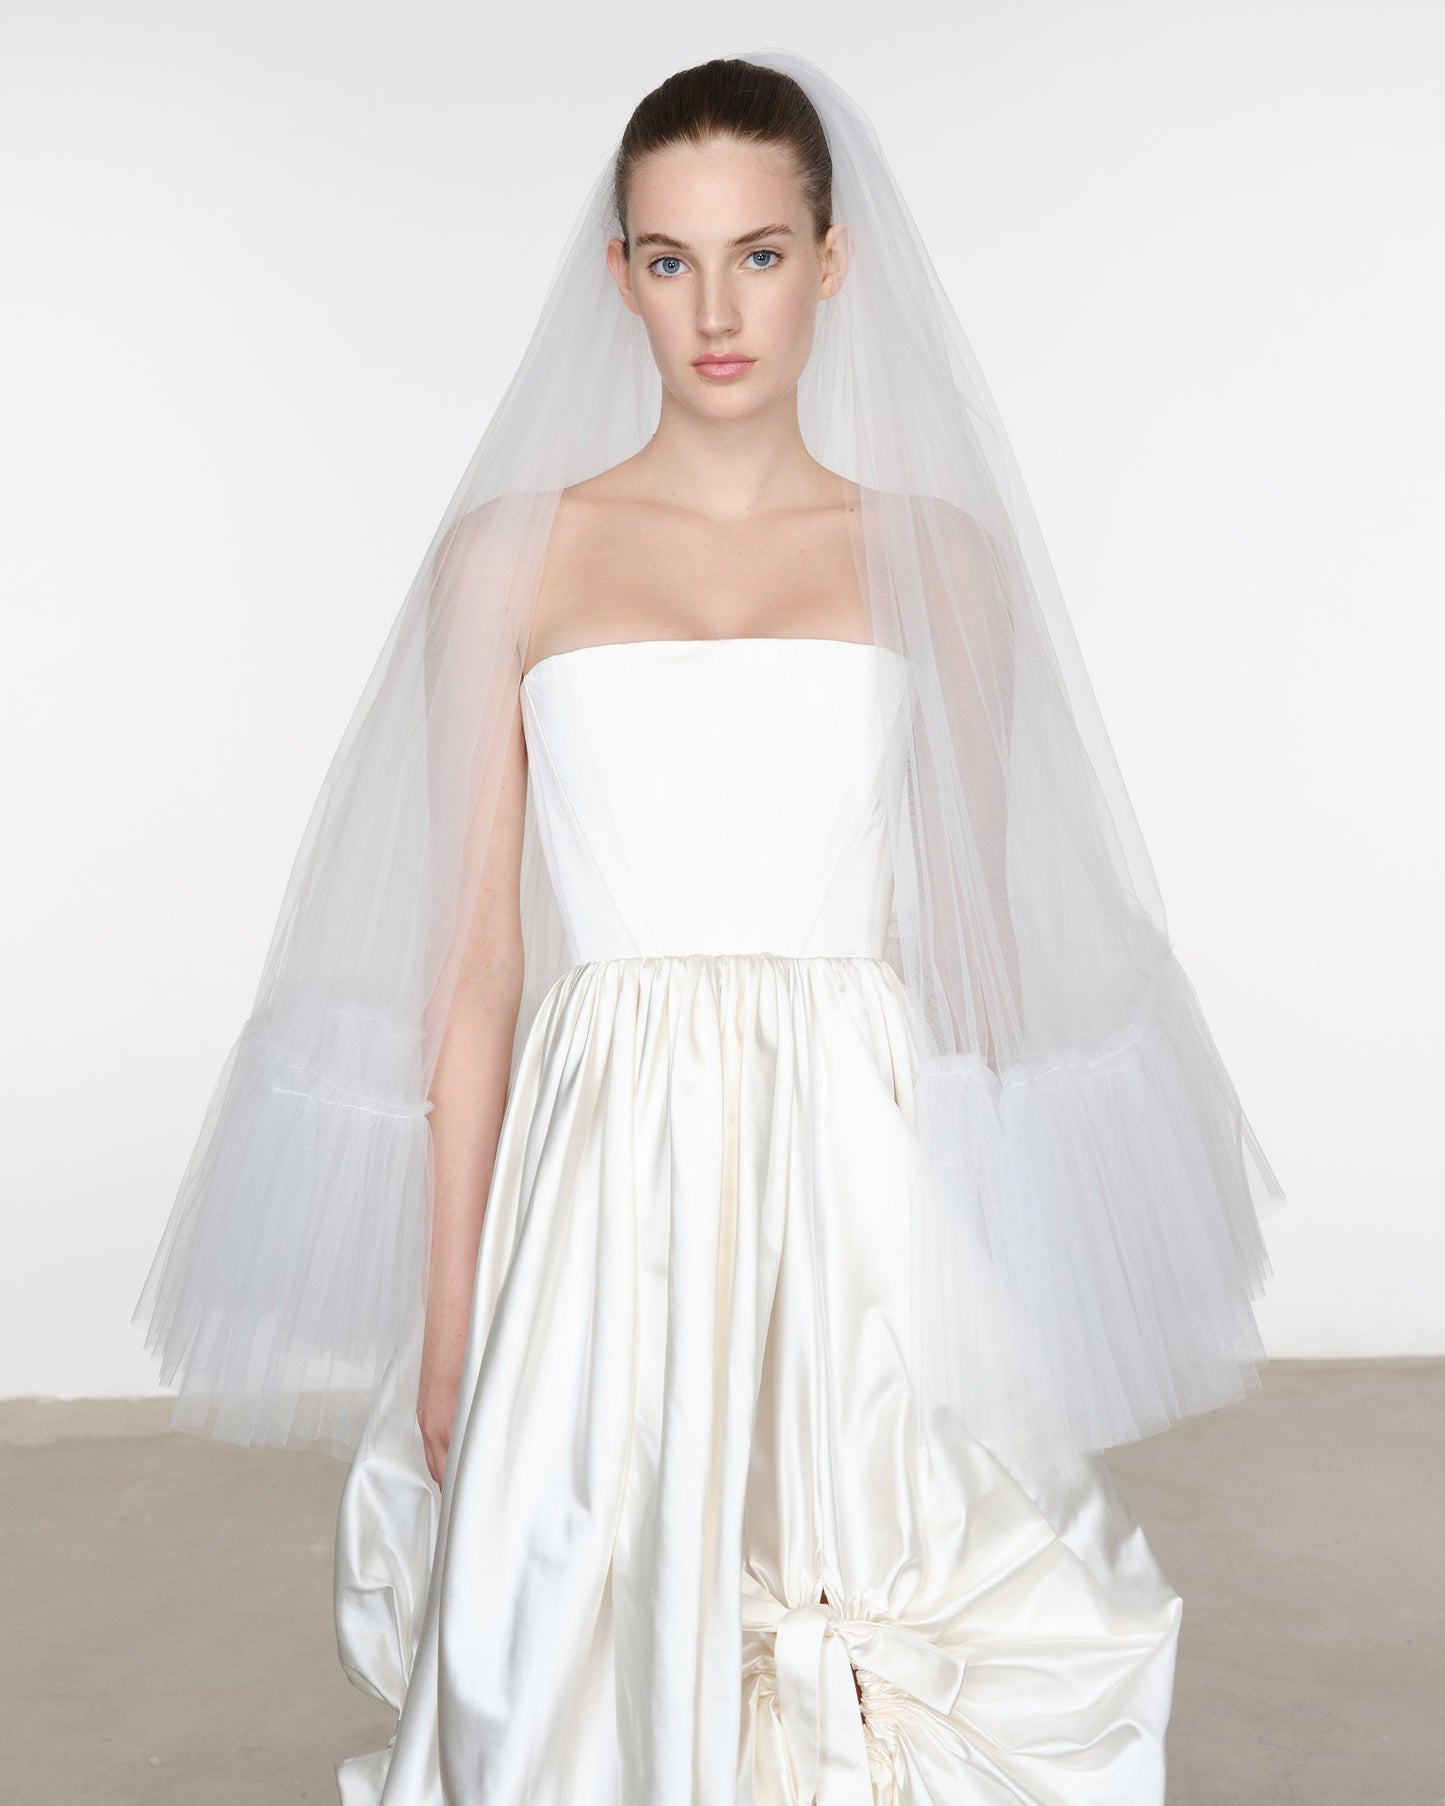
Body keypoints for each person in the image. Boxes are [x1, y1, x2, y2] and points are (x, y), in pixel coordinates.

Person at [135, 51, 1285, 1805]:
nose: (715, 306)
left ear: (832, 262)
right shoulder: (510, 559)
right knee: (584, 1604)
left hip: (861, 1173)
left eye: (757, 253)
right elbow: (476, 963)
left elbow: (967, 949)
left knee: (888, 1579)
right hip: (604, 1177)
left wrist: (1009, 1270)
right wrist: (450, 1316)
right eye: (669, 260)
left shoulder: (935, 559)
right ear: (619, 277)